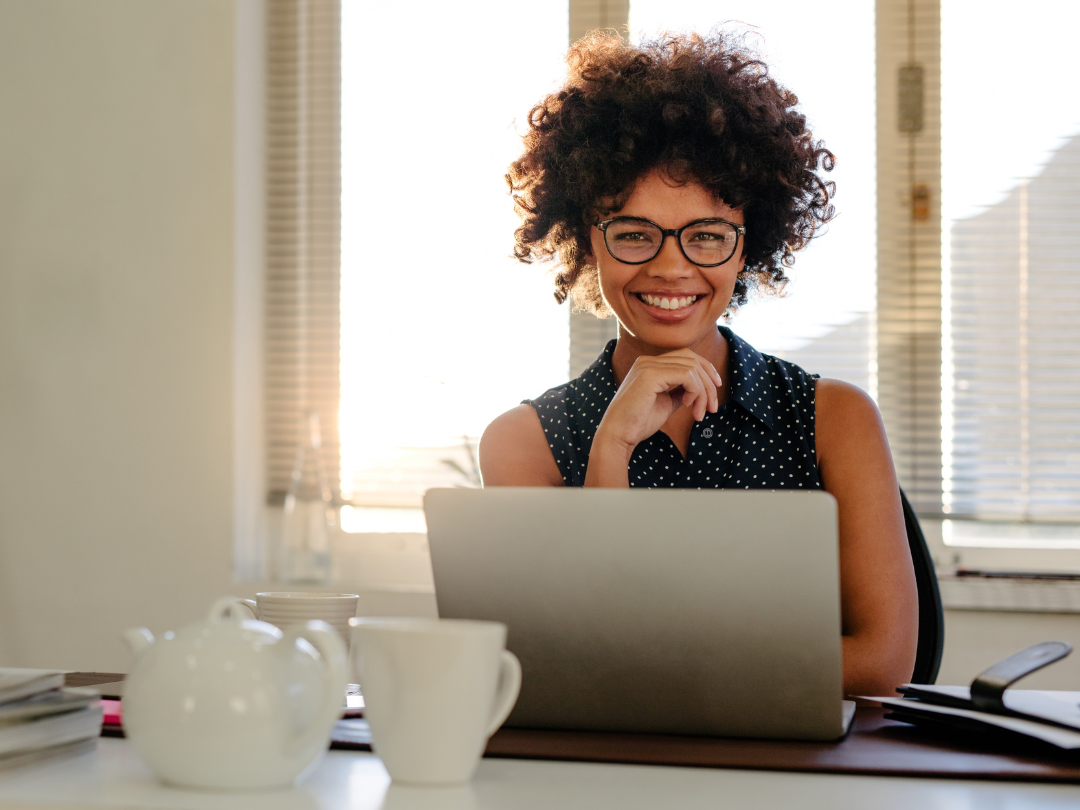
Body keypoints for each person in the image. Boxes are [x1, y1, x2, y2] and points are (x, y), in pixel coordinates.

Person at [479, 31, 917, 698]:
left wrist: (659, 662)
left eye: (707, 236)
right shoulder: (523, 442)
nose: (671, 266)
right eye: (633, 233)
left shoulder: (836, 419)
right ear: (588, 242)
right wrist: (611, 449)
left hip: (799, 757)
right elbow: (564, 654)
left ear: (748, 245)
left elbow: (883, 661)